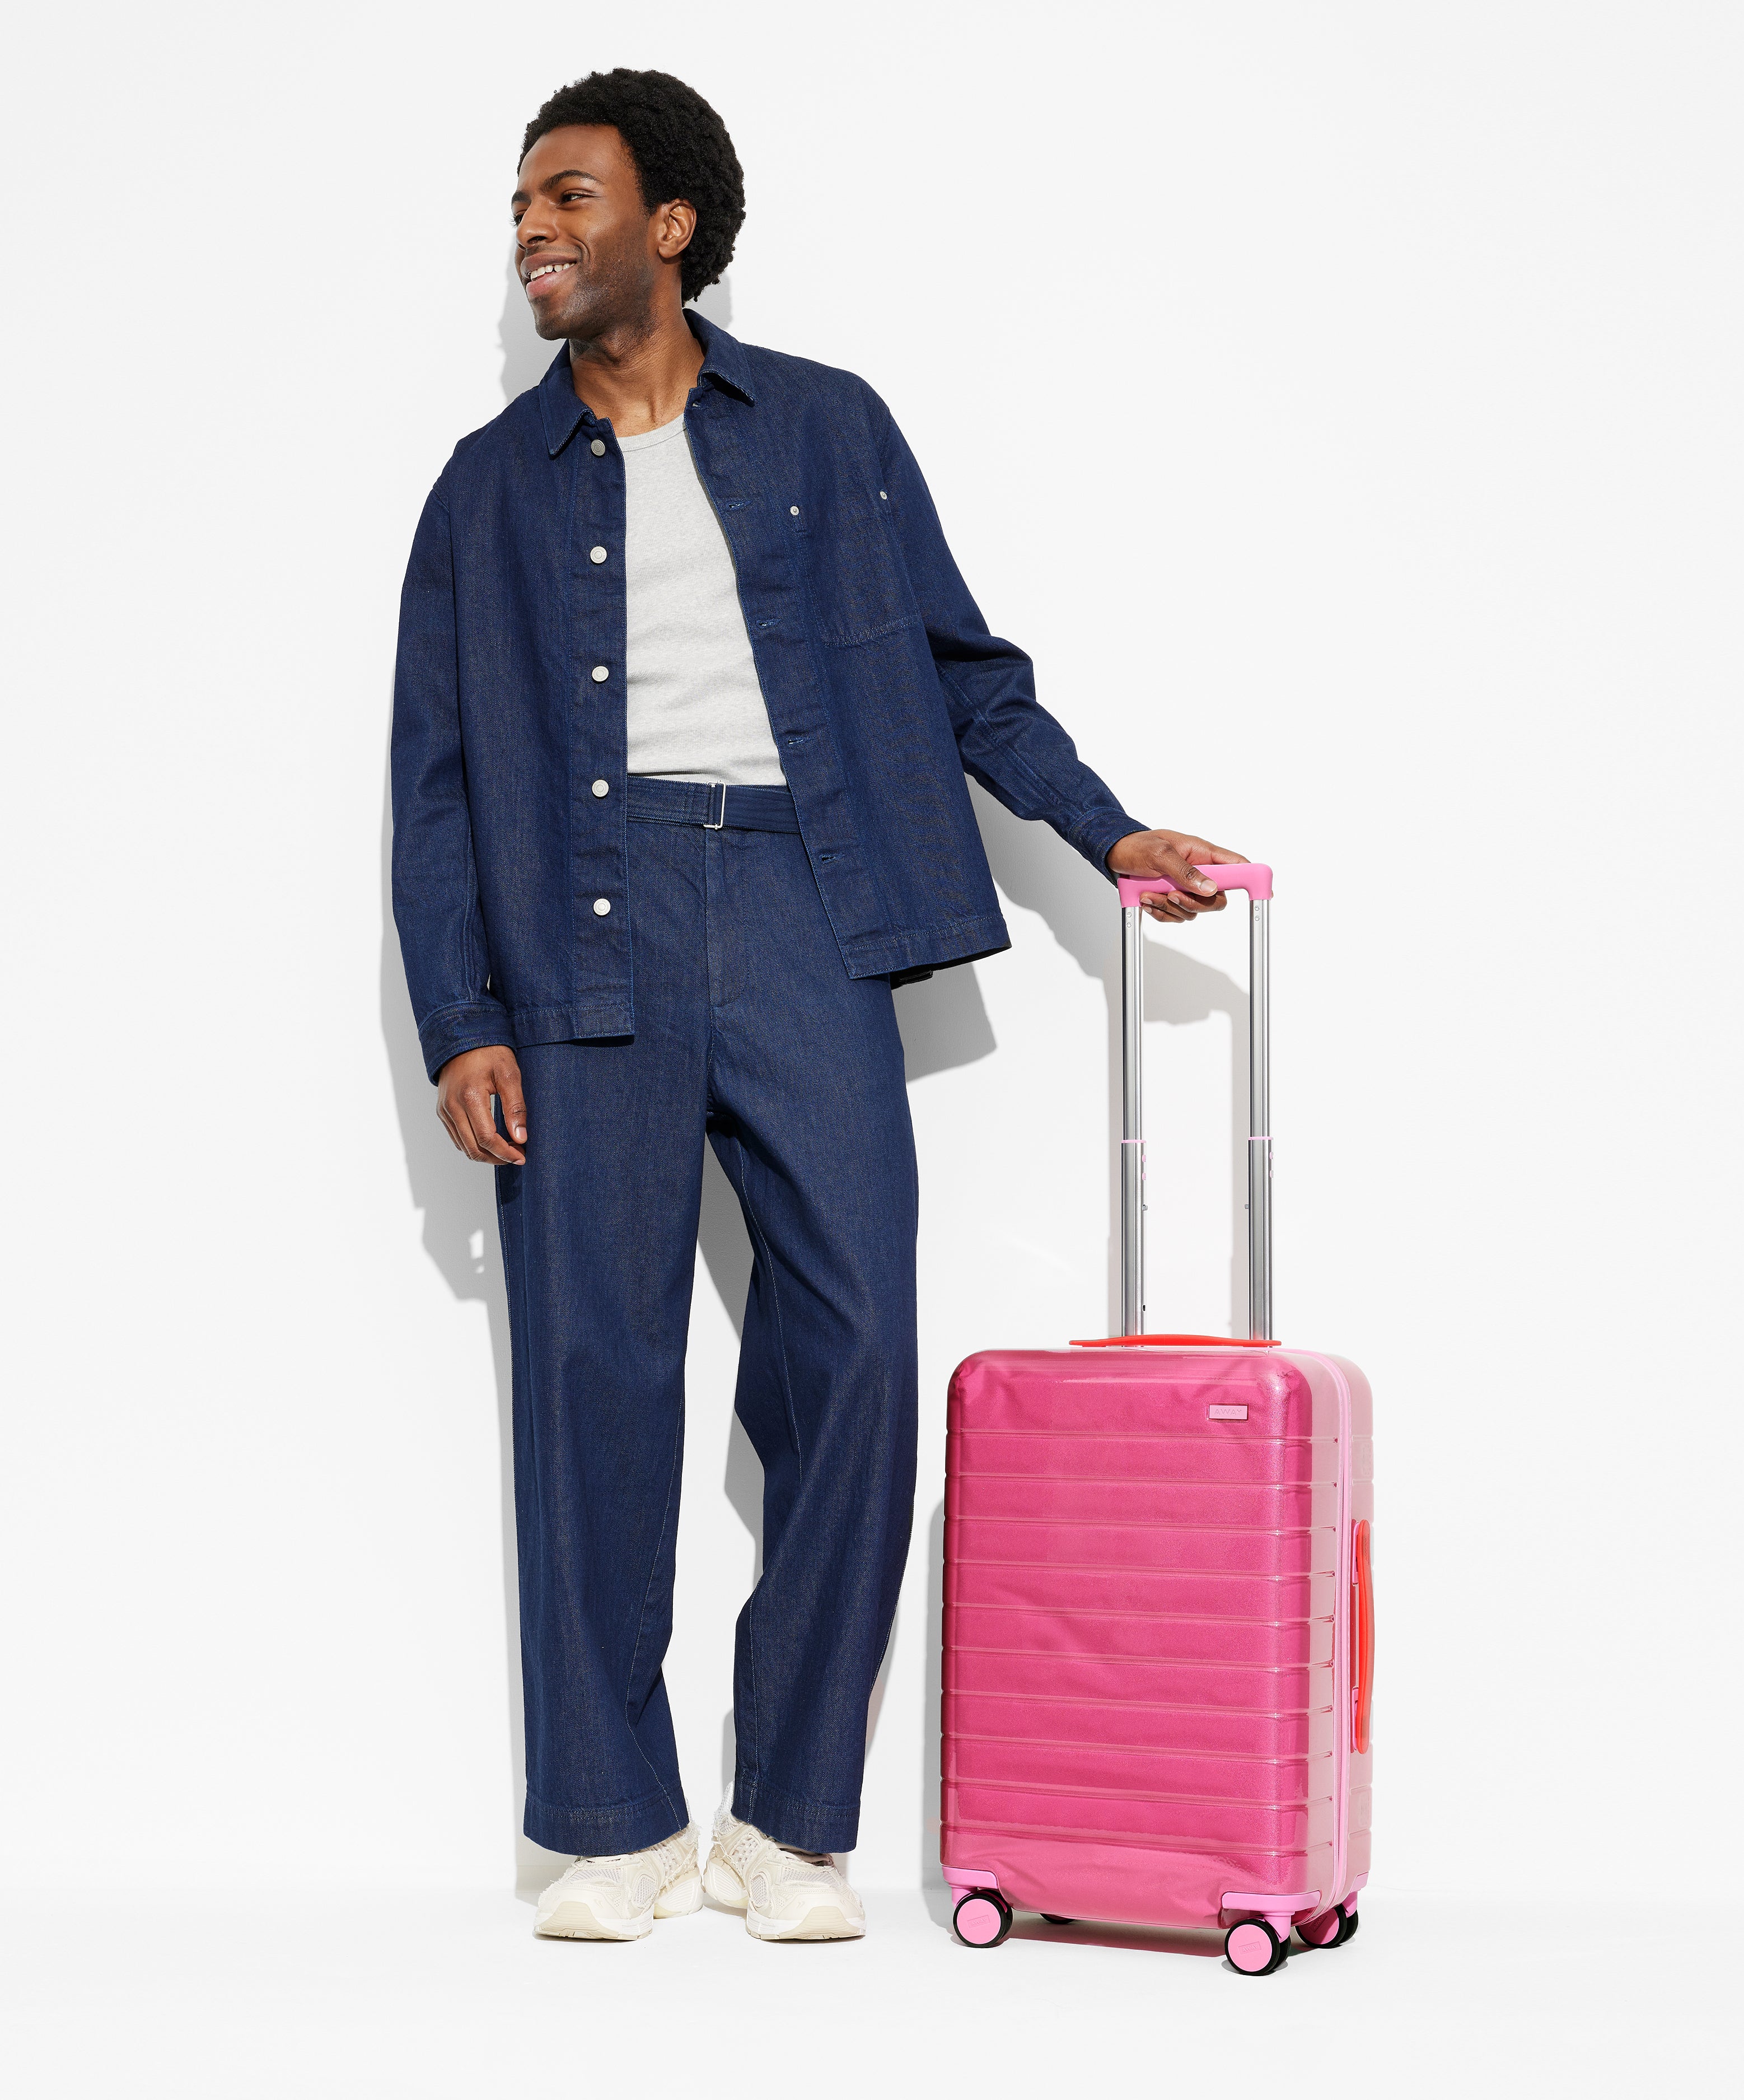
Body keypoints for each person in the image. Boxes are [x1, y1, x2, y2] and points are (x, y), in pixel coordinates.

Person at [390, 67, 1245, 1944]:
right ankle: (606, 1827)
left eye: (569, 195)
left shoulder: (831, 431)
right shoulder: (482, 494)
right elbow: (436, 775)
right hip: (582, 940)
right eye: (519, 203)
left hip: (801, 904)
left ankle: (791, 1817)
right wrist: (462, 1011)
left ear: (669, 225)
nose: (531, 228)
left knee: (852, 1353)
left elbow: (965, 674)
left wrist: (1103, 834)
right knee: (592, 1376)